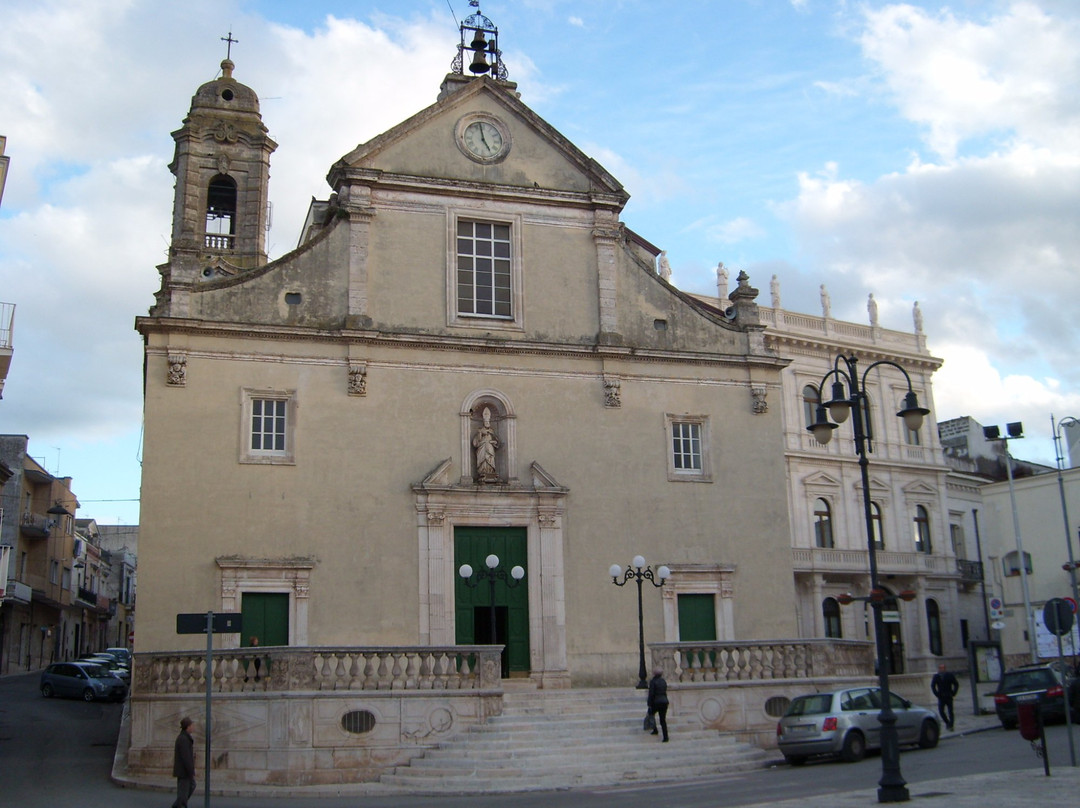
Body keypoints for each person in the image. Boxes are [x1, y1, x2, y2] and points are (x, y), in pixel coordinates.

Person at [172, 716, 196, 808]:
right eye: (192, 725)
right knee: (184, 791)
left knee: (191, 786)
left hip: (184, 771)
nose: (193, 727)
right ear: (188, 727)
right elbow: (186, 757)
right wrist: (191, 771)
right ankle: (179, 805)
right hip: (183, 771)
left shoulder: (185, 738)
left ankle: (178, 805)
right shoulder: (183, 739)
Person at [931, 663, 959, 731]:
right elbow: (933, 686)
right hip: (941, 696)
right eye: (940, 668)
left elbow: (956, 684)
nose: (941, 669)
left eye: (943, 668)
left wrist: (953, 693)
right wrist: (937, 694)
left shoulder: (949, 675)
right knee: (941, 711)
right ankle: (947, 722)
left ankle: (951, 724)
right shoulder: (936, 676)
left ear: (945, 668)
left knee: (950, 711)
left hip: (948, 695)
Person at [647, 667, 669, 742]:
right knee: (663, 720)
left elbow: (651, 693)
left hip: (656, 702)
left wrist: (649, 703)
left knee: (651, 714)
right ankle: (666, 736)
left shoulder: (653, 681)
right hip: (664, 701)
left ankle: (655, 729)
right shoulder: (663, 681)